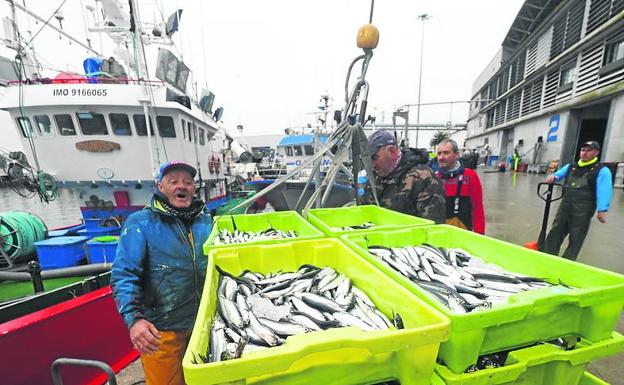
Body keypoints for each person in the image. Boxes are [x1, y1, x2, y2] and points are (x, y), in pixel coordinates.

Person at [111, 160, 212, 385]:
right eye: (173, 181)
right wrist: (134, 320)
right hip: (161, 330)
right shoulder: (141, 222)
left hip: (204, 326)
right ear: (161, 187)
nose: (181, 186)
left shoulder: (206, 220)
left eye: (187, 182)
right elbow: (123, 275)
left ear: (194, 188)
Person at [543, 141, 612, 260]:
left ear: (596, 152)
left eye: (589, 151)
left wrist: (602, 210)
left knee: (576, 237)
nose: (584, 153)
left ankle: (567, 262)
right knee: (555, 232)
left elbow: (604, 190)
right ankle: (548, 257)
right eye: (583, 150)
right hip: (565, 206)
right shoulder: (571, 166)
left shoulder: (602, 170)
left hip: (583, 210)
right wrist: (553, 177)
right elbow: (559, 174)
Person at [362, 130, 445, 223]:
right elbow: (364, 209)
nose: (372, 164)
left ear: (392, 151)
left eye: (374, 158)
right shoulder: (375, 176)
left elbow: (433, 225)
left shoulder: (422, 178)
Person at [435, 139, 485, 234]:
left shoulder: (470, 177)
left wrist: (479, 236)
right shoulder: (434, 178)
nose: (441, 157)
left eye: (446, 153)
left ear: (457, 155)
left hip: (464, 233)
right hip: (440, 233)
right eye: (439, 153)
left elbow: (478, 209)